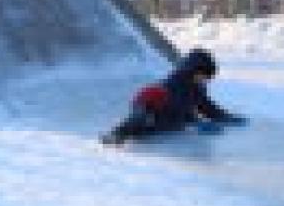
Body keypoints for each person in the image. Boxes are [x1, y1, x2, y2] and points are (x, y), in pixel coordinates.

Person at [101, 49, 245, 145]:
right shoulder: (176, 83)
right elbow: (179, 107)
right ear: (194, 71)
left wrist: (225, 117)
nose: (205, 80)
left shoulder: (198, 87)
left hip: (169, 113)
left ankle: (136, 132)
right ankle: (116, 134)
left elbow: (207, 107)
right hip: (149, 104)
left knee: (168, 126)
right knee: (142, 121)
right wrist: (196, 122)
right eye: (204, 76)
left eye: (207, 78)